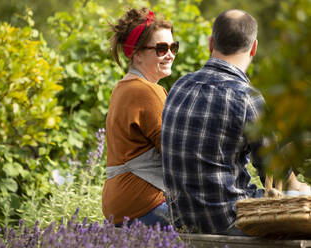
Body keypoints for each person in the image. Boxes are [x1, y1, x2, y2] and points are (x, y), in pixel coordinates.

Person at [161, 9, 310, 235]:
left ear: (211, 43)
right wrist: (303, 189)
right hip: (233, 223)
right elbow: (277, 176)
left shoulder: (179, 86)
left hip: (182, 223)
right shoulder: (247, 98)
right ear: (254, 47)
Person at [102, 7, 179, 227]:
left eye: (173, 47)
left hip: (118, 203)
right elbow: (175, 153)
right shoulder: (147, 91)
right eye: (161, 48)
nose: (170, 54)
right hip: (145, 203)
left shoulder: (122, 88)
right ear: (136, 54)